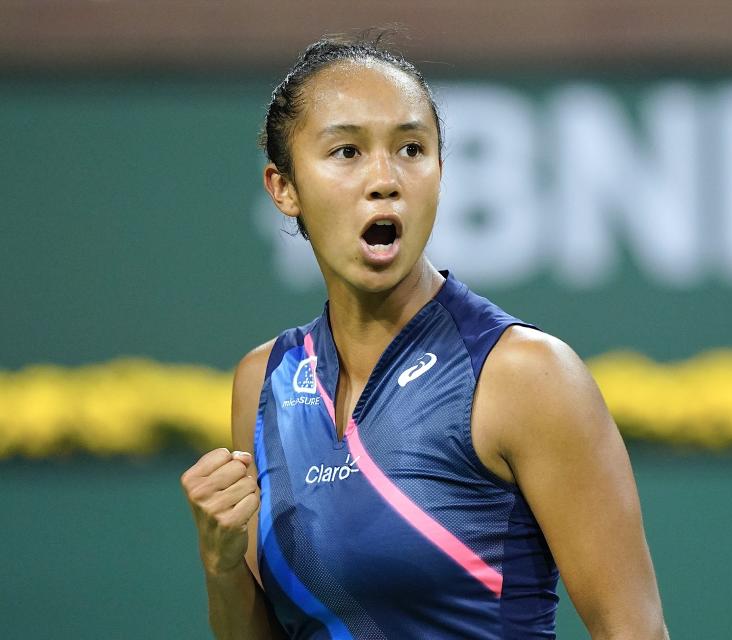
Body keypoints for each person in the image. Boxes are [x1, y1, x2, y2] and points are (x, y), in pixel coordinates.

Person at [181, 35, 668, 639]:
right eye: (347, 152)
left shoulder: (524, 375)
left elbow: (634, 631)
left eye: (412, 148)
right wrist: (222, 566)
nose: (384, 179)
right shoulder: (265, 382)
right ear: (284, 188)